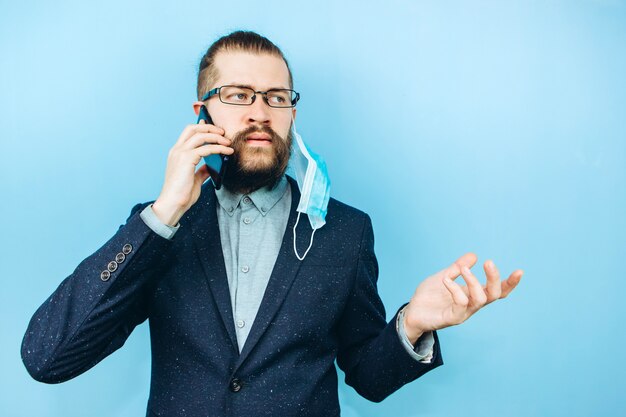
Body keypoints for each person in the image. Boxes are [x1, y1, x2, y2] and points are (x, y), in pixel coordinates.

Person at [22, 31, 523, 417]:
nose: (261, 112)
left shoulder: (345, 232)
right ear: (202, 112)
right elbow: (48, 358)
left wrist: (411, 323)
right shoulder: (158, 228)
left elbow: (368, 378)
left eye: (276, 97)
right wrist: (163, 213)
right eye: (238, 95)